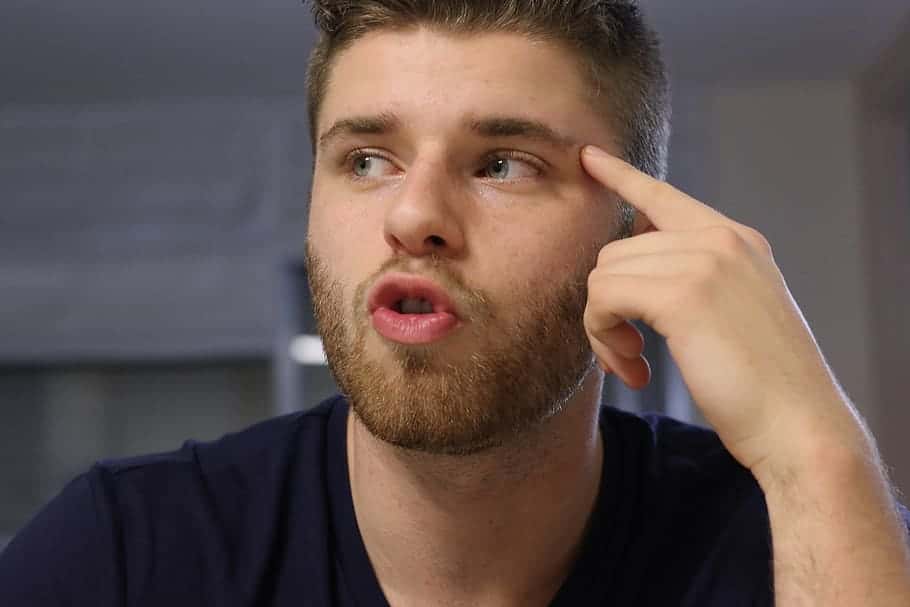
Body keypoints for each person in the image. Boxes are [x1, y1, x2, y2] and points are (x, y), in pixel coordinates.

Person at [2, 1, 909, 605]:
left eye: (503, 163)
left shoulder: (788, 542)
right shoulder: (126, 555)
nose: (414, 216)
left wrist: (815, 446)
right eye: (366, 159)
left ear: (633, 242)